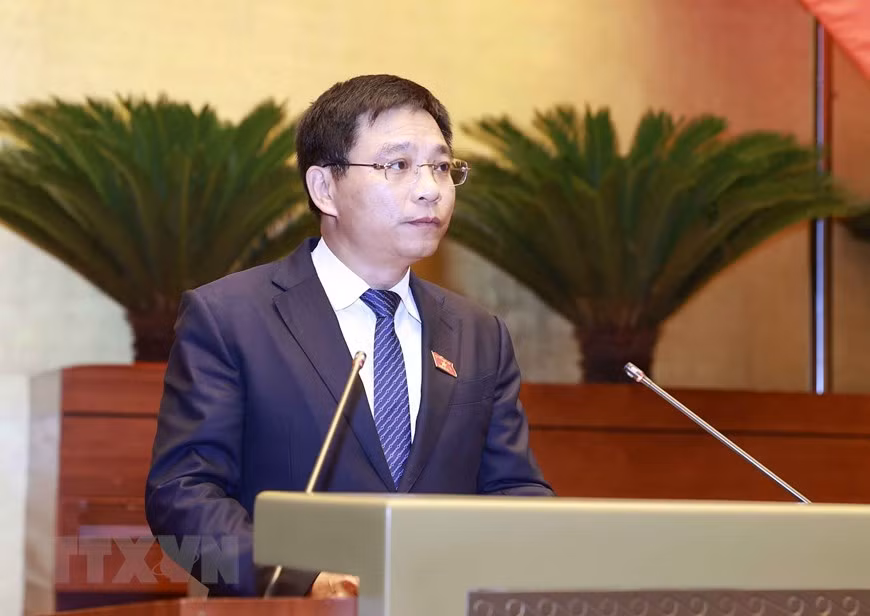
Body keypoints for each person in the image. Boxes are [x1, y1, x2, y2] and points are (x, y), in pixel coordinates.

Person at [145, 74, 553, 600]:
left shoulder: (478, 333)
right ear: (324, 188)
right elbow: (184, 497)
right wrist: (303, 582)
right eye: (398, 165)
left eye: (440, 166)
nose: (430, 188)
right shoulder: (230, 318)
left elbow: (513, 489)